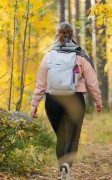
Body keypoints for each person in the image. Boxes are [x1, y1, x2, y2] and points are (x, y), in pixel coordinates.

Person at [30, 21, 103, 179]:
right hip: (75, 99)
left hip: (52, 101)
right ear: (72, 36)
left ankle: (62, 171)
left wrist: (34, 104)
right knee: (73, 138)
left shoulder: (48, 56)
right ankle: (66, 170)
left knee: (61, 138)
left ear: (57, 35)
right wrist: (98, 101)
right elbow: (92, 82)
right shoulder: (80, 55)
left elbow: (41, 83)